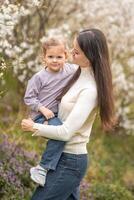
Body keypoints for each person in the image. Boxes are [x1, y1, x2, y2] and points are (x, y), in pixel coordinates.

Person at [22, 28, 115, 200]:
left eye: (76, 51)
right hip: (61, 157)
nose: (71, 53)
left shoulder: (90, 90)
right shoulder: (75, 73)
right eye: (72, 48)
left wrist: (34, 126)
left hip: (70, 161)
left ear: (90, 55)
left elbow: (65, 132)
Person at [24, 37, 77, 186]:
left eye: (59, 57)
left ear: (66, 57)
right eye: (51, 57)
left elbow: (85, 70)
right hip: (41, 115)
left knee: (64, 135)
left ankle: (57, 168)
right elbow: (29, 98)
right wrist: (42, 108)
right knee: (61, 134)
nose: (55, 60)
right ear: (44, 58)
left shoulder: (70, 70)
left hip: (57, 114)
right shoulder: (39, 77)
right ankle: (42, 168)